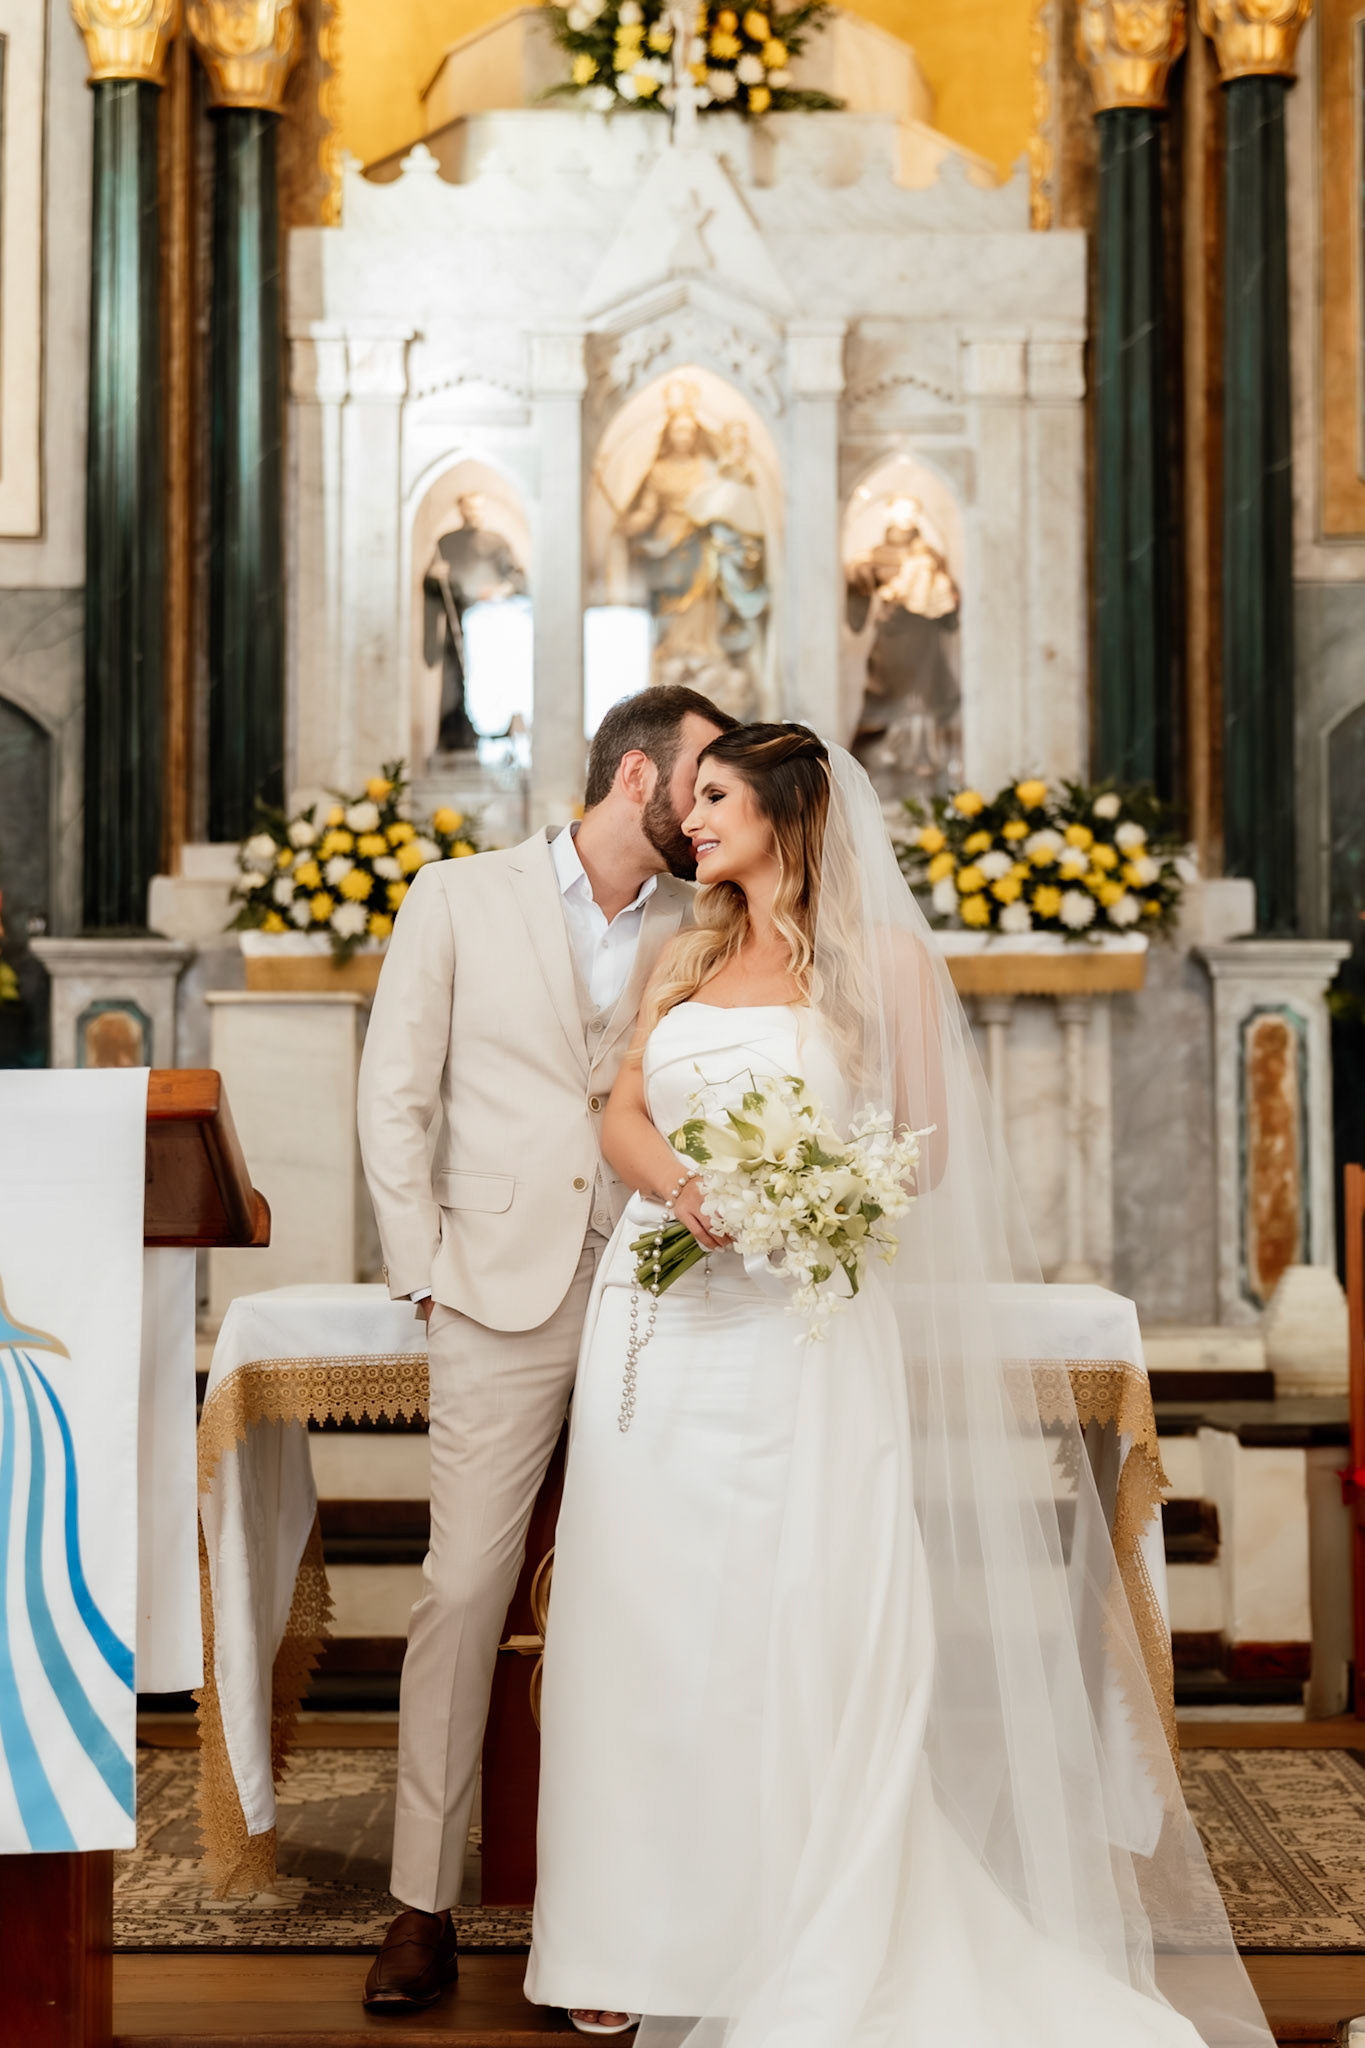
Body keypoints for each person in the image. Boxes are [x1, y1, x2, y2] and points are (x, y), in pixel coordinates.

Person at [526, 725, 1273, 2048]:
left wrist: (809, 1199)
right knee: (637, 1616)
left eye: (715, 798)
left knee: (799, 1615)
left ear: (787, 814)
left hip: (802, 1331)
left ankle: (795, 1919)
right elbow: (620, 1113)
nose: (689, 820)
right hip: (665, 1325)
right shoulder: (679, 954)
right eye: (688, 798)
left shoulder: (888, 968)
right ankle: (631, 1933)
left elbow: (921, 1153)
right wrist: (689, 1191)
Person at [356, 683, 735, 2013]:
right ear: (635, 777)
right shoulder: (459, 899)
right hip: (492, 1289)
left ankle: (628, 1907)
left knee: (639, 1599)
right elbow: (393, 1091)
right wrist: (422, 1272)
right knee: (462, 1592)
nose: (707, 809)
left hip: (658, 1290)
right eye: (697, 782)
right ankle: (419, 1903)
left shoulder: (707, 923)